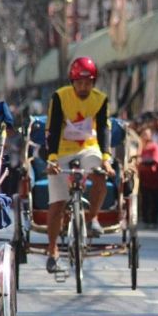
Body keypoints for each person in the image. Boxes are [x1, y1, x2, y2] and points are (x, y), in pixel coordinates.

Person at [44, 56, 113, 273]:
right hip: (61, 151)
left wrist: (107, 158)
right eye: (80, 82)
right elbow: (53, 128)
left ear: (93, 82)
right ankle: (53, 250)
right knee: (57, 203)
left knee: (100, 173)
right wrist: (52, 158)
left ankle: (92, 218)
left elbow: (104, 129)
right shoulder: (60, 97)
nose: (84, 87)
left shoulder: (100, 99)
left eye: (88, 83)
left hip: (89, 148)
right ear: (72, 81)